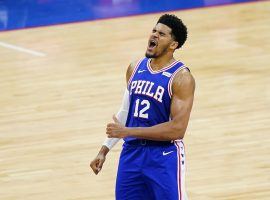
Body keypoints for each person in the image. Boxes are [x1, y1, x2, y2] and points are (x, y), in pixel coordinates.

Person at [90, 14, 195, 200]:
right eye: (154, 30)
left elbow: (177, 129)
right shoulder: (135, 67)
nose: (154, 35)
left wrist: (128, 131)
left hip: (163, 155)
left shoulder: (181, 78)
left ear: (173, 45)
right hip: (132, 153)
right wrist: (104, 149)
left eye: (161, 34)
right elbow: (125, 112)